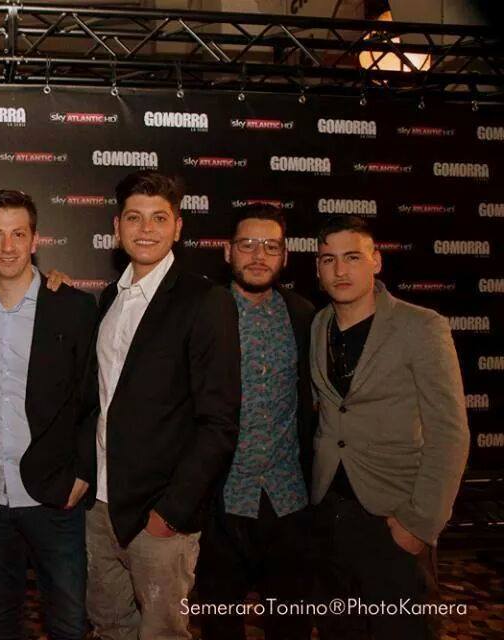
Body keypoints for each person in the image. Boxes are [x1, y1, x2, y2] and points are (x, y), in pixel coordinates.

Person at [86, 170, 241, 640]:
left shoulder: (205, 300)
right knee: (110, 628)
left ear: (178, 227)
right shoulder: (108, 300)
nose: (146, 228)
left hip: (158, 517)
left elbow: (219, 422)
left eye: (159, 217)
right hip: (100, 507)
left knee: (163, 634)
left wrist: (172, 513)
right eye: (134, 217)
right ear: (117, 227)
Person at [310, 215, 469, 639]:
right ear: (317, 268)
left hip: (393, 514)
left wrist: (418, 523)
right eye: (328, 259)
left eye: (352, 257)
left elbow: (449, 433)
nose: (340, 270)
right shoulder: (318, 324)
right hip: (329, 513)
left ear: (376, 261)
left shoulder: (421, 326)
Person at [0, 189, 98, 640]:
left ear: (36, 240)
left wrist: (83, 473)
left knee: (68, 621)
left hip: (54, 495)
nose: (8, 246)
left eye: (18, 234)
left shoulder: (72, 306)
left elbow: (93, 398)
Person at [195, 205, 315, 639]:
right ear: (228, 252)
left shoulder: (304, 316)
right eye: (247, 245)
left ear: (285, 256)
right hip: (220, 501)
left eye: (270, 246)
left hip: (289, 500)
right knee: (219, 626)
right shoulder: (201, 312)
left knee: (291, 626)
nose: (259, 256)